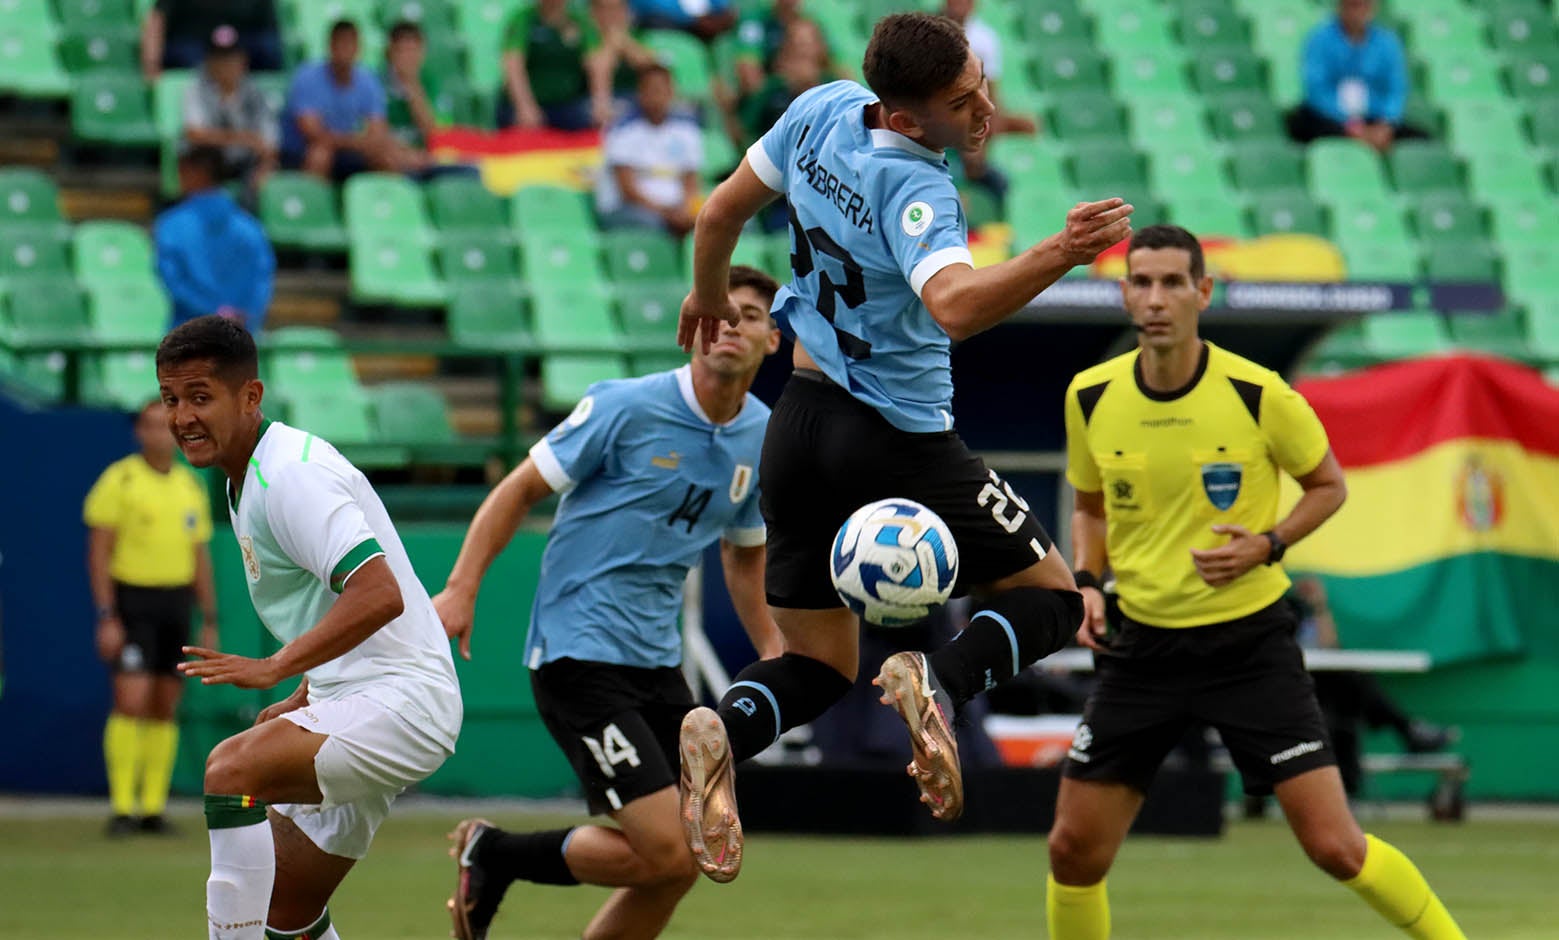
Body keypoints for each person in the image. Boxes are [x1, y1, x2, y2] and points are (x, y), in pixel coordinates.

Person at [673, 12, 1131, 883]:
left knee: (815, 664)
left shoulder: (820, 107)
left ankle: (722, 727)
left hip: (797, 422)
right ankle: (938, 681)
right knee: (1053, 599)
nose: (984, 108)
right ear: (905, 117)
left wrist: (705, 297)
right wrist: (1063, 250)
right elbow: (953, 307)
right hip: (895, 439)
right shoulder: (917, 186)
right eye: (962, 101)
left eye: (979, 83)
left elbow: (720, 211)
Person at [1049, 224, 1464, 939]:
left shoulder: (1257, 392)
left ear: (1203, 292)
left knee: (1335, 847)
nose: (1156, 299)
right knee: (1072, 850)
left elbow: (1327, 486)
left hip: (1247, 648)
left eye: (1172, 282)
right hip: (1141, 650)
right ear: (1124, 295)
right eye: (1141, 282)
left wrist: (1269, 544)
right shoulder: (1089, 396)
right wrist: (1087, 579)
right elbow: (1089, 506)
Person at [438, 266, 785, 940]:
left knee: (691, 857)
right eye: (718, 313)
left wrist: (773, 651)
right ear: (693, 325)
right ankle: (495, 854)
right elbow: (518, 489)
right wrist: (462, 586)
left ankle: (495, 855)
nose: (730, 327)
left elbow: (743, 555)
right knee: (667, 848)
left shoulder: (762, 436)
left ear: (772, 339)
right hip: (579, 652)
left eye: (748, 316)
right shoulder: (625, 406)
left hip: (658, 663)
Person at [157, 315, 462, 940]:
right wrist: (304, 695)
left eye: (200, 397)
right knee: (285, 905)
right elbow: (337, 607)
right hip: (359, 697)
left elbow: (378, 594)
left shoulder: (290, 475)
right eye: (170, 399)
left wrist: (276, 667)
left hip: (401, 702)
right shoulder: (248, 476)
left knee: (229, 772)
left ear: (250, 396)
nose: (182, 417)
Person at [84, 399, 217, 836]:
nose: (160, 434)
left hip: (175, 603)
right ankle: (122, 807)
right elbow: (99, 550)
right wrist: (107, 614)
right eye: (151, 425)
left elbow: (199, 556)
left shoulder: (189, 485)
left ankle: (153, 808)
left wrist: (209, 617)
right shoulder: (120, 480)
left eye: (166, 426)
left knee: (164, 703)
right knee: (131, 699)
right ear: (139, 432)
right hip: (133, 600)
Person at [280, 19, 430, 181]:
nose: (345, 51)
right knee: (320, 154)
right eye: (341, 44)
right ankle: (311, 196)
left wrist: (366, 144)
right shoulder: (307, 77)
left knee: (384, 157)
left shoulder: (367, 80)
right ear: (330, 47)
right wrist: (357, 142)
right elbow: (312, 132)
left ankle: (387, 196)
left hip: (350, 148)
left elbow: (377, 129)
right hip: (304, 150)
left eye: (350, 44)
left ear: (358, 48)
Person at [155, 146, 275, 335]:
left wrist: (215, 313)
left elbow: (173, 280)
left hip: (189, 336)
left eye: (181, 171)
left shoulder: (171, 225)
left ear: (195, 173)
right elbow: (262, 281)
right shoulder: (251, 227)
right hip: (240, 336)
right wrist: (240, 316)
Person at [1285, 0, 1428, 153]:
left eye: (1364, 5)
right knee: (1303, 123)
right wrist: (1351, 126)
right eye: (1353, 5)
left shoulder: (1387, 42)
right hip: (1332, 117)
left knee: (1421, 140)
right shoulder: (1319, 39)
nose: (1358, 13)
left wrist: (1386, 124)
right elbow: (1317, 90)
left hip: (1373, 117)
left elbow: (1396, 89)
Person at [596, 65, 704, 237]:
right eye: (652, 90)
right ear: (640, 93)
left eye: (662, 90)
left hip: (674, 209)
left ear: (671, 93)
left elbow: (690, 182)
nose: (657, 97)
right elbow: (628, 191)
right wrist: (666, 214)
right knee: (654, 225)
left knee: (721, 219)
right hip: (629, 209)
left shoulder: (686, 131)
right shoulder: (622, 131)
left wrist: (684, 210)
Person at [181, 25, 279, 197]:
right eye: (220, 59)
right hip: (214, 162)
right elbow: (195, 134)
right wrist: (243, 138)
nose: (226, 65)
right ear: (209, 61)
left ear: (243, 61)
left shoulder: (254, 92)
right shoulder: (197, 89)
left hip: (246, 162)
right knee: (199, 163)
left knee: (264, 176)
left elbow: (269, 141)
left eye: (231, 58)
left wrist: (266, 165)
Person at [141, 0, 283, 78]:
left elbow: (269, 30)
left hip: (241, 45)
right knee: (189, 57)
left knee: (268, 47)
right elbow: (157, 21)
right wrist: (151, 64)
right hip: (194, 45)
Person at [381, 20, 443, 151]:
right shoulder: (376, 83)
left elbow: (434, 133)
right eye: (403, 51)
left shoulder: (432, 82)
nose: (409, 58)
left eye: (414, 51)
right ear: (390, 52)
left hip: (424, 155)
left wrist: (411, 85)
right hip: (389, 155)